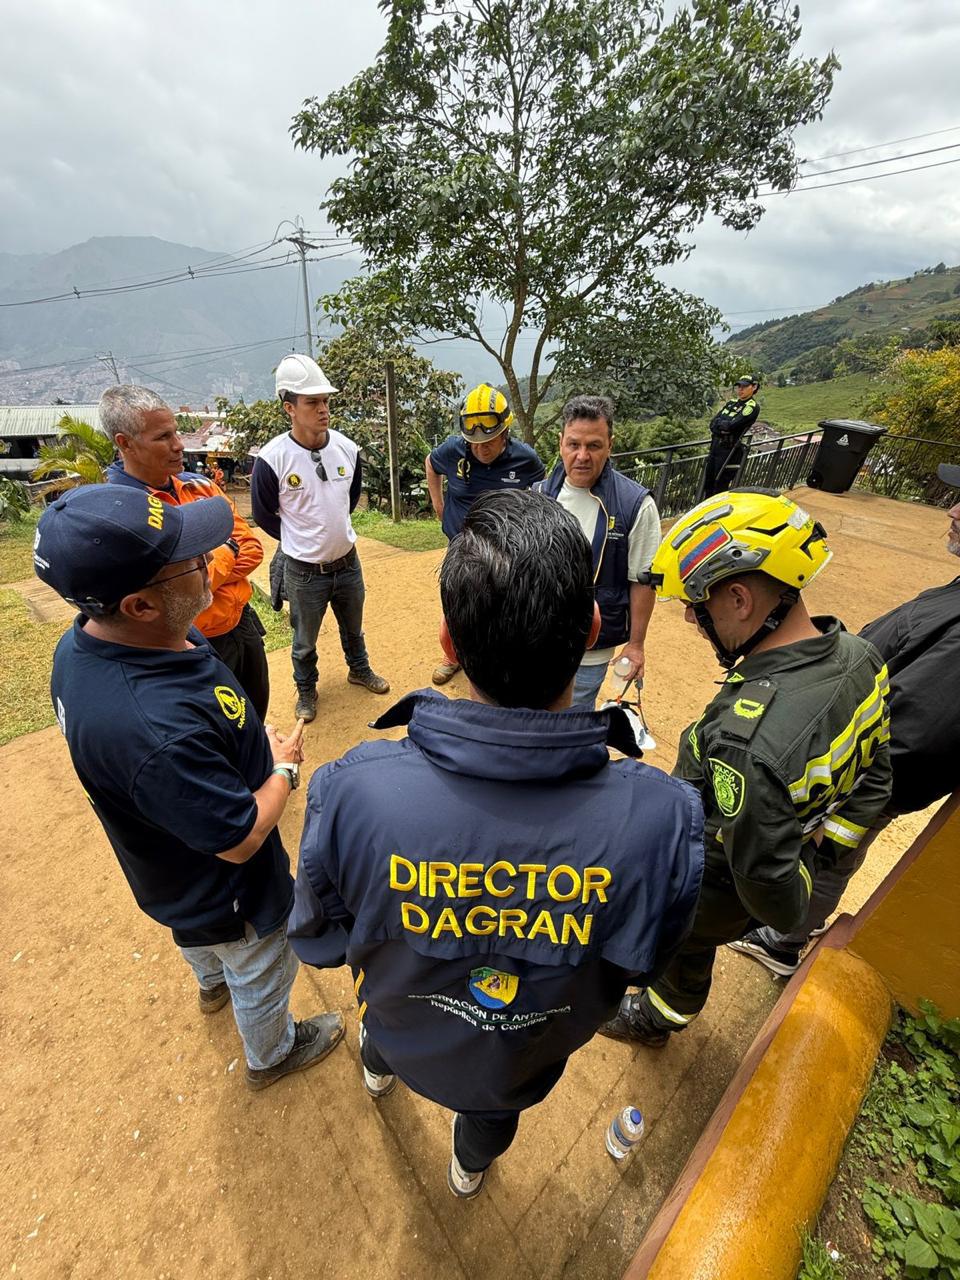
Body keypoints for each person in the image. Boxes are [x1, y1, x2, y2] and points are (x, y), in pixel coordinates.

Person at [287, 490, 704, 1197]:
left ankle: (377, 1070)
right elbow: (641, 965)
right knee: (489, 1118)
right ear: (592, 629)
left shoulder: (353, 792)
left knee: (382, 1037)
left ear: (448, 643)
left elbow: (321, 942)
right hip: (514, 1065)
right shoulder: (661, 821)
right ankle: (468, 1168)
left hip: (401, 1024)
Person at [34, 484, 344, 1090]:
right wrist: (281, 769)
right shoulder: (152, 730)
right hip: (226, 889)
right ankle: (272, 1052)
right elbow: (240, 838)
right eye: (193, 560)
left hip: (170, 872)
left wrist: (242, 738)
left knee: (200, 941)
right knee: (260, 967)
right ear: (140, 605)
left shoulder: (91, 644)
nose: (215, 559)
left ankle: (209, 983)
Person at [599, 488, 892, 1046]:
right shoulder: (861, 656)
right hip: (762, 857)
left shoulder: (748, 741)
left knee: (681, 943)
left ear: (739, 599)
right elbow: (877, 771)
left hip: (711, 885)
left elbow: (769, 887)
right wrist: (824, 848)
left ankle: (658, 1017)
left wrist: (792, 873)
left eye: (697, 603)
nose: (689, 616)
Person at [730, 462, 960, 976]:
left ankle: (780, 940)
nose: (952, 510)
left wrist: (846, 765)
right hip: (863, 757)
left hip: (872, 773)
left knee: (829, 850)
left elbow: (922, 729)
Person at [102, 385, 271, 723]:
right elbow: (164, 595)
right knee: (218, 728)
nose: (178, 445)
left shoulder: (201, 486)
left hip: (241, 626)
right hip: (189, 644)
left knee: (255, 714)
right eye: (163, 437)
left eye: (175, 432)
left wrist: (196, 574)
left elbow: (251, 549)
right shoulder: (118, 512)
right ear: (125, 443)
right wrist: (224, 553)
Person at [251, 353, 389, 723]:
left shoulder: (347, 448)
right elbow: (263, 513)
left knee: (353, 627)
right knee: (303, 642)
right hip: (303, 571)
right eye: (312, 402)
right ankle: (306, 690)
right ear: (289, 408)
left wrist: (329, 533)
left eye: (326, 401)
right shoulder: (272, 459)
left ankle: (359, 670)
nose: (323, 409)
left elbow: (350, 497)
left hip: (348, 563)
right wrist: (301, 539)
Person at [538, 394, 660, 707]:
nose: (582, 456)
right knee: (532, 712)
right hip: (538, 637)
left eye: (593, 446)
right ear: (560, 442)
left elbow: (643, 579)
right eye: (574, 444)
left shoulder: (636, 504)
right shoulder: (537, 495)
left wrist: (636, 645)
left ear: (610, 445)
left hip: (592, 648)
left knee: (575, 717)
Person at [425, 383, 545, 683]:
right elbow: (431, 463)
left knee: (502, 603)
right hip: (461, 545)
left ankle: (493, 655)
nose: (480, 448)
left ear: (505, 432)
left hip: (506, 548)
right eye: (474, 442)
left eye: (489, 440)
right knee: (455, 604)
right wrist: (439, 505)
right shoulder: (454, 450)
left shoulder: (525, 459)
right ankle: (452, 657)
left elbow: (541, 492)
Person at [702, 376, 760, 498]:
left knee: (720, 486)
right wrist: (721, 427)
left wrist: (722, 426)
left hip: (728, 451)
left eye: (744, 386)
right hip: (715, 448)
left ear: (754, 387)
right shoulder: (731, 403)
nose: (740, 389)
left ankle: (718, 514)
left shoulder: (752, 406)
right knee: (708, 484)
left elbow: (731, 426)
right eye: (739, 386)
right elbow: (712, 424)